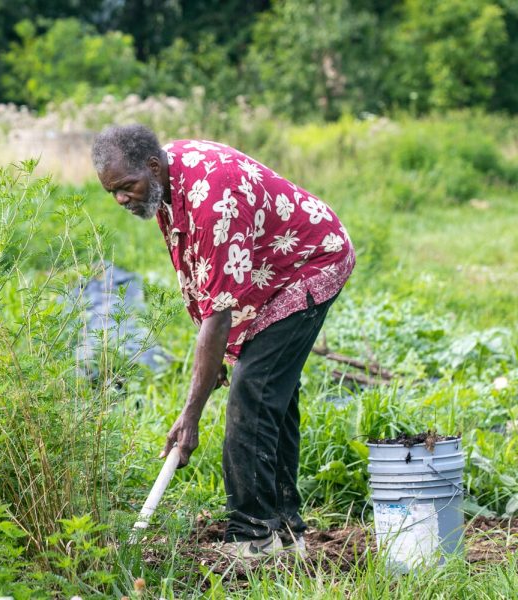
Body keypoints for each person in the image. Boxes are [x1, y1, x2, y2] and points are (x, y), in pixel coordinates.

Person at [91, 124, 355, 558]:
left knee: (252, 394)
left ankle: (252, 536)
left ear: (152, 167)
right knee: (273, 396)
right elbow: (201, 273)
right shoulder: (164, 181)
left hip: (309, 263)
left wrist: (190, 416)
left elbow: (218, 314)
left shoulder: (214, 198)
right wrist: (209, 367)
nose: (122, 199)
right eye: (112, 192)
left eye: (126, 187)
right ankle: (286, 535)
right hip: (270, 271)